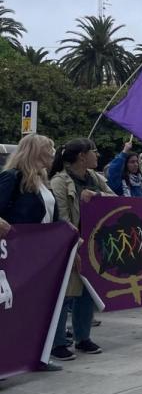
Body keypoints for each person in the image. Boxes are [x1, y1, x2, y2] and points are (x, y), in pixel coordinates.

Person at [0, 134, 64, 370]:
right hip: (15, 255)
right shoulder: (12, 177)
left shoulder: (42, 182)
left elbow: (51, 219)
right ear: (36, 152)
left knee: (36, 308)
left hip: (41, 256)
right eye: (50, 148)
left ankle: (36, 356)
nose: (54, 152)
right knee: (12, 310)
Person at [49, 138, 113, 357]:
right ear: (82, 156)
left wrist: (96, 195)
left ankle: (83, 337)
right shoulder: (60, 181)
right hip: (70, 245)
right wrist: (73, 247)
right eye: (93, 152)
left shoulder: (95, 178)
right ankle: (57, 343)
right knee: (65, 294)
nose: (97, 156)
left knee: (87, 293)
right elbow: (62, 218)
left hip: (94, 244)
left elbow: (115, 199)